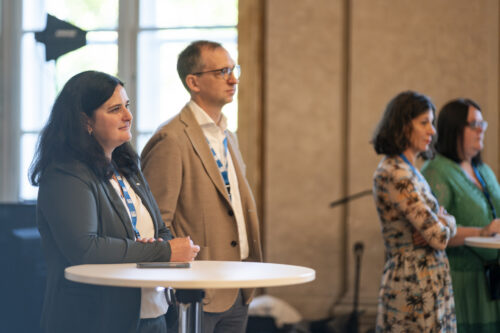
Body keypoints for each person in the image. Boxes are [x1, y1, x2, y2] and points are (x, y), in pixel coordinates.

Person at [29, 70, 200, 333]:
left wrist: (159, 245)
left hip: (153, 313)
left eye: (127, 106)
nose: (128, 116)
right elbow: (85, 248)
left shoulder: (127, 167)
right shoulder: (65, 173)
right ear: (85, 120)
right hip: (95, 320)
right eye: (115, 109)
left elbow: (160, 230)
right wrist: (163, 252)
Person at [140, 40, 263, 333]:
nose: (233, 79)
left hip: (238, 283)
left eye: (234, 70)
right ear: (193, 81)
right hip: (195, 292)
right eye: (222, 71)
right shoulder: (171, 139)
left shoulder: (227, 135)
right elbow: (157, 225)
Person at [371, 91, 457, 332]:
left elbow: (439, 231)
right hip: (413, 284)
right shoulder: (394, 172)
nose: (432, 131)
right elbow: (439, 237)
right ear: (402, 126)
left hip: (430, 277)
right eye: (424, 123)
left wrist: (444, 220)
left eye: (432, 123)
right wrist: (442, 223)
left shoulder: (411, 170)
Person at [421, 98, 500, 332]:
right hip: (461, 281)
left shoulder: (483, 169)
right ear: (454, 128)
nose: (481, 130)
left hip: (491, 281)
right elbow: (432, 231)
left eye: (482, 124)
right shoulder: (436, 170)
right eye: (474, 124)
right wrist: (482, 232)